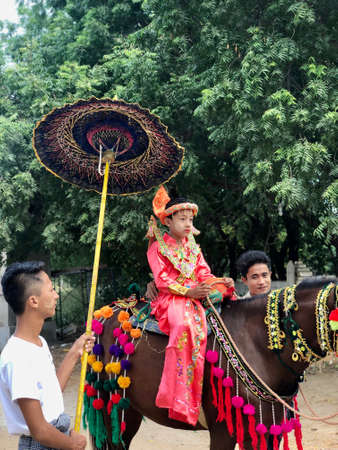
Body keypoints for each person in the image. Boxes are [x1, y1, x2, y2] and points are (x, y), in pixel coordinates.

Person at [146, 186, 234, 426]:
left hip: (196, 296)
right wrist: (189, 291)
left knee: (231, 310)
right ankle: (179, 397)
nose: (187, 224)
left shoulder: (193, 246)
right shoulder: (157, 247)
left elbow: (204, 273)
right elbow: (162, 280)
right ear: (169, 219)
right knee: (183, 326)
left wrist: (219, 282)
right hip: (171, 298)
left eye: (190, 219)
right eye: (182, 219)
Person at [0, 261, 95, 450]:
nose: (56, 295)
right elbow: (39, 430)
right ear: (33, 301)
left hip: (55, 437)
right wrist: (71, 444)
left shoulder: (39, 343)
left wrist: (76, 351)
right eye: (51, 290)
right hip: (43, 444)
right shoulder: (17, 358)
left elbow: (51, 393)